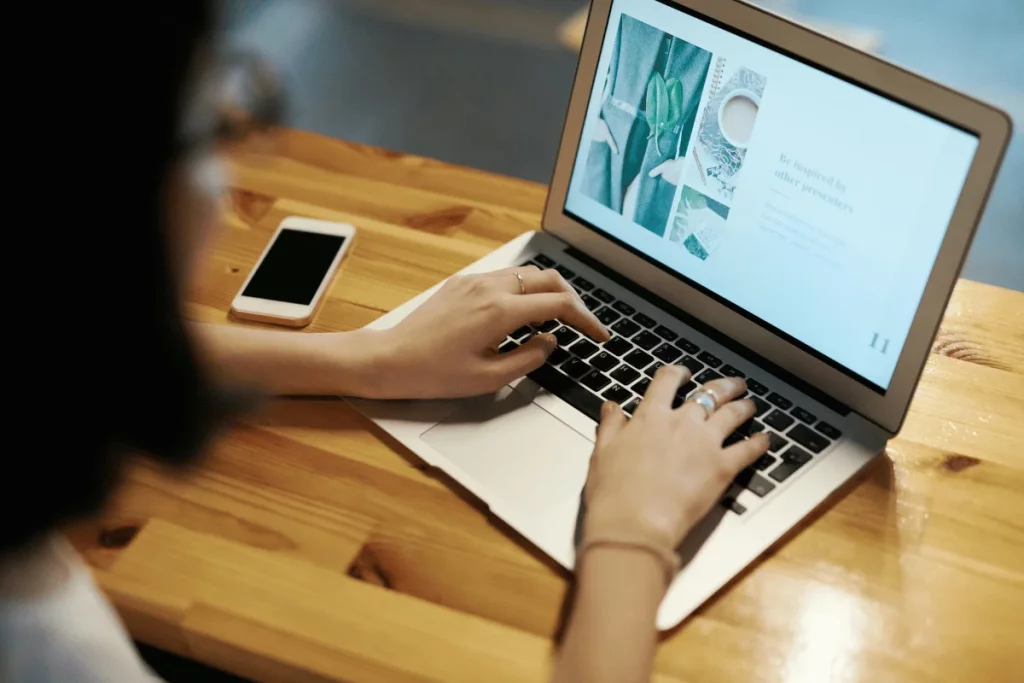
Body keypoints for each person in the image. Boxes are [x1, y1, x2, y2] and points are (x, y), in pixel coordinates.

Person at [0, 5, 770, 682]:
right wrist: (632, 529)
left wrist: (367, 356)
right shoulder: (42, 645)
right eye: (201, 121)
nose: (220, 172)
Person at [581, 15, 712, 236]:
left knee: (639, 234)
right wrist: (590, 116)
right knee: (592, 232)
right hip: (612, 127)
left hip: (672, 146)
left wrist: (690, 164)